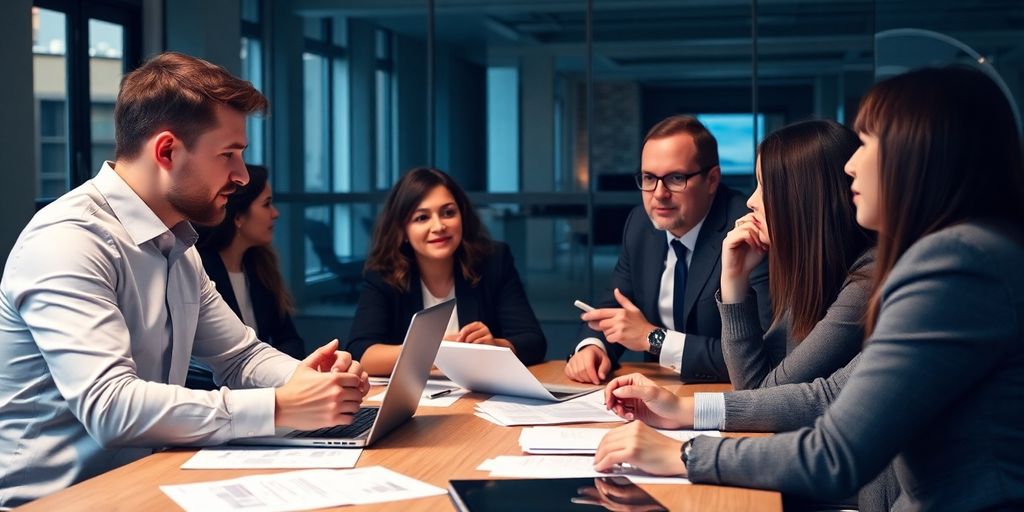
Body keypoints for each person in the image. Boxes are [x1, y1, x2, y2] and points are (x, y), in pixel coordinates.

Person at [593, 66, 1024, 511]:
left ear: (924, 154)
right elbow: (829, 395)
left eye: (868, 143)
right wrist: (684, 409)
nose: (851, 165)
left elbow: (837, 452)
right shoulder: (963, 255)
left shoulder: (955, 265)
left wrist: (682, 454)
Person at [0, 52, 369, 507]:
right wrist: (279, 407)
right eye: (228, 155)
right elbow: (112, 408)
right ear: (167, 151)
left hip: (143, 484)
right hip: (59, 502)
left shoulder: (177, 243)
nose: (240, 176)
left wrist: (312, 382)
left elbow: (240, 357)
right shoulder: (69, 242)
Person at [566, 115, 772, 385]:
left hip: (724, 397)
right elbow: (616, 304)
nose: (659, 194)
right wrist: (593, 347)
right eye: (649, 178)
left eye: (676, 178)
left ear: (712, 180)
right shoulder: (640, 224)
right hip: (656, 392)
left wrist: (652, 339)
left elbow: (763, 354)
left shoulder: (748, 230)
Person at [718, 119, 873, 391]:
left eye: (765, 187)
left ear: (805, 199)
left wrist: (733, 281)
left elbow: (760, 393)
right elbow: (754, 388)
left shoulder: (866, 280)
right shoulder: (817, 266)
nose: (751, 201)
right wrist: (735, 279)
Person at [345, 167, 547, 376]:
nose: (439, 226)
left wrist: (495, 345)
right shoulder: (384, 273)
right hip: (417, 400)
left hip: (481, 395)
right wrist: (430, 350)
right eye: (422, 218)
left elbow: (533, 341)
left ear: (462, 217)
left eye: (448, 213)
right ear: (403, 230)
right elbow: (360, 353)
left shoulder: (493, 261)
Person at [186, 164, 305, 390]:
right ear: (238, 217)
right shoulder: (197, 268)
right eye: (267, 204)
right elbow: (212, 365)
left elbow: (290, 339)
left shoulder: (260, 267)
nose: (276, 213)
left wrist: (290, 377)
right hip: (220, 400)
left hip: (261, 392)